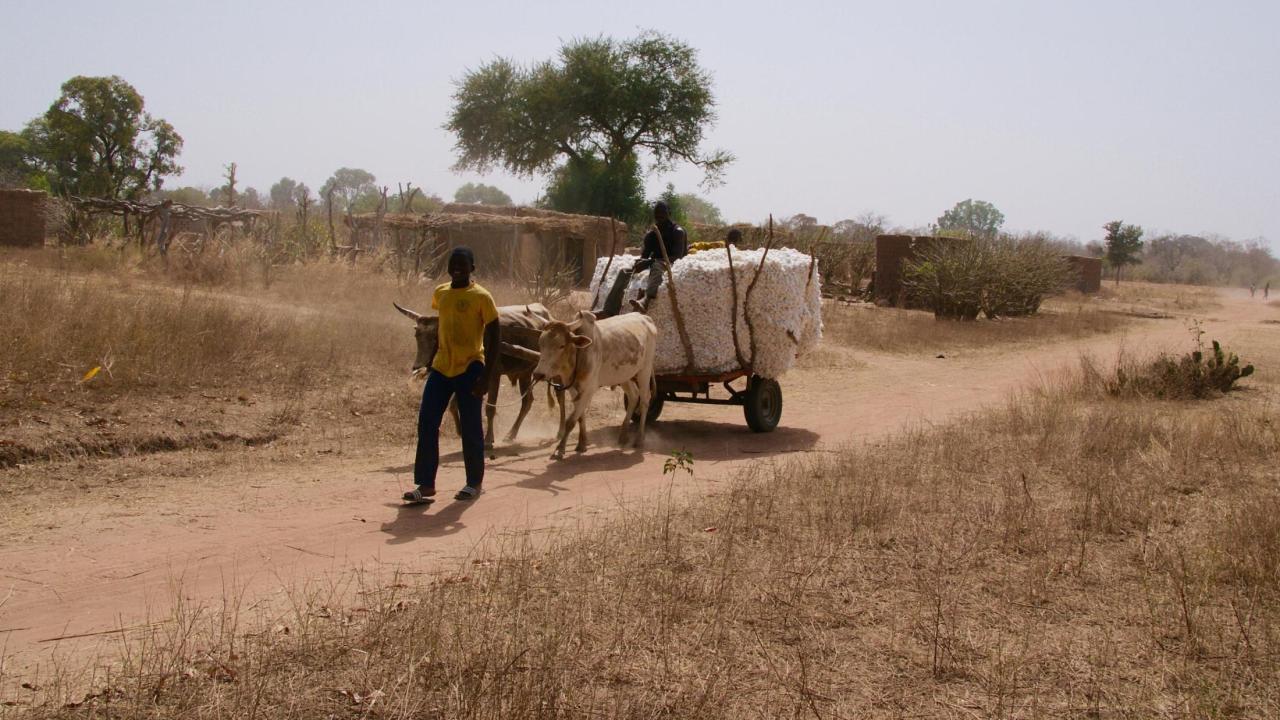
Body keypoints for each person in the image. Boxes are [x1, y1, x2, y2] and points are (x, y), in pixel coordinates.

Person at [402, 246, 499, 504]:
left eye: (462, 264)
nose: (456, 268)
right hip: (442, 367)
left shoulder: (482, 297)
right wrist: (430, 362)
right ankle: (425, 485)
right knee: (427, 422)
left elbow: (494, 335)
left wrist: (486, 376)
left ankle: (473, 483)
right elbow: (441, 327)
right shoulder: (441, 293)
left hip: (470, 367)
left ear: (472, 268)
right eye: (453, 264)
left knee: (470, 427)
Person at [600, 201, 688, 316]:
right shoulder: (651, 235)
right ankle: (609, 309)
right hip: (654, 262)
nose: (659, 215)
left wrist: (652, 261)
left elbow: (677, 257)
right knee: (625, 271)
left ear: (669, 213)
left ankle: (646, 299)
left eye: (663, 212)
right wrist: (640, 263)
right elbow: (645, 256)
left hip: (672, 263)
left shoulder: (677, 232)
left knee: (657, 266)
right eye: (657, 213)